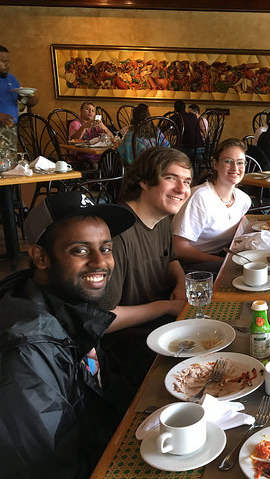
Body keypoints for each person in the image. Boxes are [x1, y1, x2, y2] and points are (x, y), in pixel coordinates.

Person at [0, 191, 135, 479]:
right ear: (40, 256)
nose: (101, 262)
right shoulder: (27, 351)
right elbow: (47, 468)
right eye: (80, 250)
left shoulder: (68, 304)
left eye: (106, 248)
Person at [98, 147, 192, 406]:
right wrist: (166, 306)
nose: (182, 189)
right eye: (171, 178)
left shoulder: (161, 218)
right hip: (126, 343)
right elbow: (103, 320)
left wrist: (181, 280)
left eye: (186, 181)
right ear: (143, 181)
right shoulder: (116, 233)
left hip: (161, 322)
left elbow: (170, 258)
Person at [173, 138, 252, 273]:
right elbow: (179, 249)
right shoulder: (200, 197)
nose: (235, 168)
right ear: (215, 164)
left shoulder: (244, 200)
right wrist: (223, 262)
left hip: (222, 255)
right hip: (190, 265)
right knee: (244, 272)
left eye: (240, 163)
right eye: (228, 161)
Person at [0, 45, 38, 159]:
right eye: (3, 61)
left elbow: (22, 99)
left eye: (8, 61)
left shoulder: (11, 79)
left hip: (11, 128)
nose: (7, 65)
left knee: (9, 163)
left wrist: (31, 100)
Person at [68, 102, 114, 169]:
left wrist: (104, 128)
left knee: (113, 161)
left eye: (93, 111)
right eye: (87, 109)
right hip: (80, 157)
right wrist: (84, 127)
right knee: (97, 165)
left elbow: (112, 138)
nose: (90, 112)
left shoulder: (96, 125)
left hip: (98, 155)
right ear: (81, 111)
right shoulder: (75, 124)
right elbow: (73, 140)